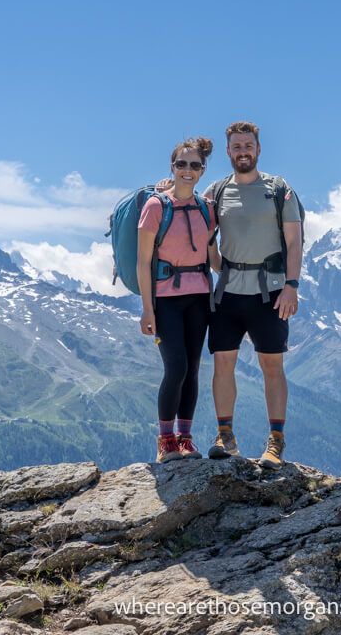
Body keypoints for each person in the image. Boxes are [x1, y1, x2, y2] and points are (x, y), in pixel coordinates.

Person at [205, 121, 302, 469]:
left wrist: (292, 285)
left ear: (258, 149)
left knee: (272, 365)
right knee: (223, 363)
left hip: (271, 292)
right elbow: (195, 224)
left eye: (248, 145)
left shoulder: (278, 189)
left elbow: (294, 241)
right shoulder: (216, 192)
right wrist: (167, 187)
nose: (242, 151)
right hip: (228, 291)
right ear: (228, 151)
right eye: (236, 146)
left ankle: (275, 441)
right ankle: (225, 436)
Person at [137, 137, 217, 463]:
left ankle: (185, 438)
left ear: (202, 170)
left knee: (193, 369)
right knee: (177, 367)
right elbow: (143, 261)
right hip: (166, 299)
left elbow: (214, 258)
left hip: (199, 297)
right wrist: (146, 308)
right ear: (172, 167)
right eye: (181, 164)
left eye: (194, 165)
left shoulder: (207, 209)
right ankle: (165, 441)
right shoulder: (156, 206)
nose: (187, 170)